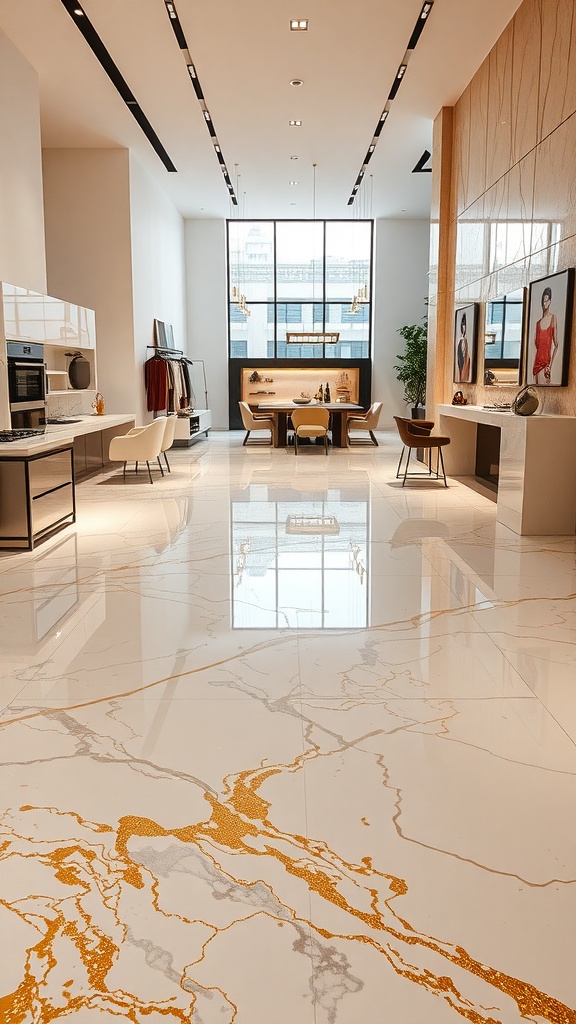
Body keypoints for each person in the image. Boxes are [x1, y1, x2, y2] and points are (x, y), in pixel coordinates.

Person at [532, 286, 557, 384]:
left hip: (546, 365)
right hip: (536, 365)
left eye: (546, 300)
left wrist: (550, 365)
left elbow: (556, 344)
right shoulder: (538, 323)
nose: (544, 303)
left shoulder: (553, 319)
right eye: (543, 301)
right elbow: (535, 347)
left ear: (550, 301)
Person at [456, 312, 470, 382]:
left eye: (464, 326)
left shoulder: (465, 341)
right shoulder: (460, 341)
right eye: (462, 326)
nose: (463, 329)